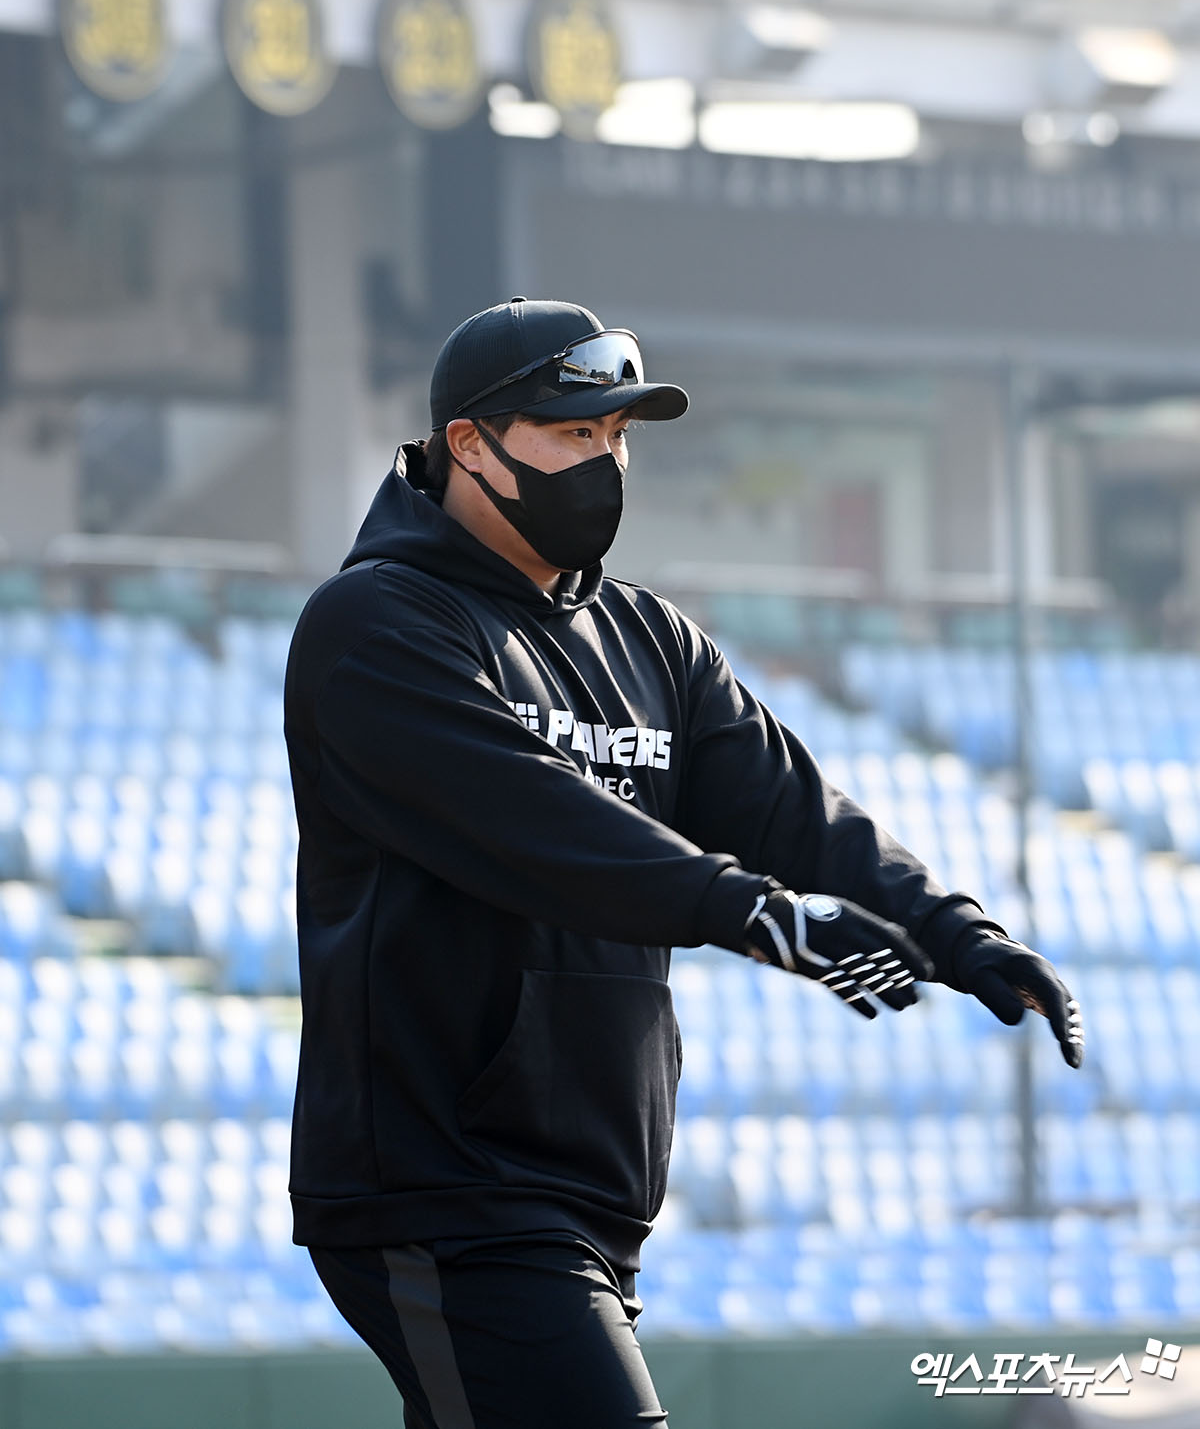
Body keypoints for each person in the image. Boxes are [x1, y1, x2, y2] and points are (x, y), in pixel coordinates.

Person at [282, 297, 1084, 1429]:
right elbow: (537, 820)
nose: (606, 462)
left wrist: (956, 932)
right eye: (575, 432)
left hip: (594, 1196)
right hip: (448, 1187)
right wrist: (758, 915)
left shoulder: (653, 638)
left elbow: (798, 814)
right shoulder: (375, 623)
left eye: (618, 436)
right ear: (472, 444)